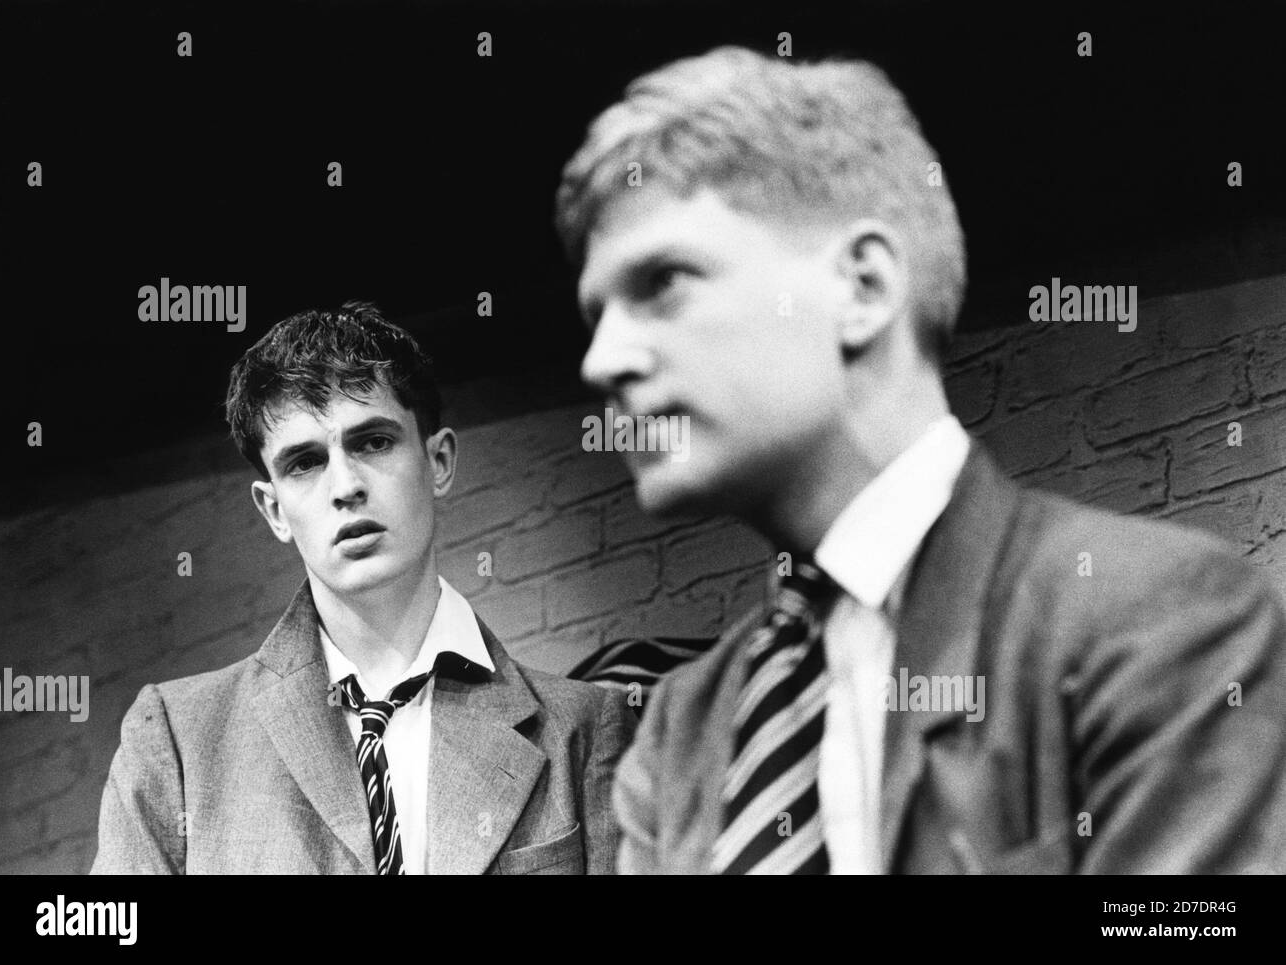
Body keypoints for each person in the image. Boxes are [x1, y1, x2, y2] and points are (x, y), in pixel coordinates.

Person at [554, 45, 1286, 874]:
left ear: (863, 287)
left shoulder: (1158, 622)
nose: (602, 358)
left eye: (663, 282)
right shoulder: (680, 733)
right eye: (595, 314)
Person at [91, 301, 633, 874]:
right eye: (304, 462)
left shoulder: (585, 728)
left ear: (439, 460)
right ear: (274, 510)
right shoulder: (178, 740)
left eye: (373, 442)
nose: (345, 485)